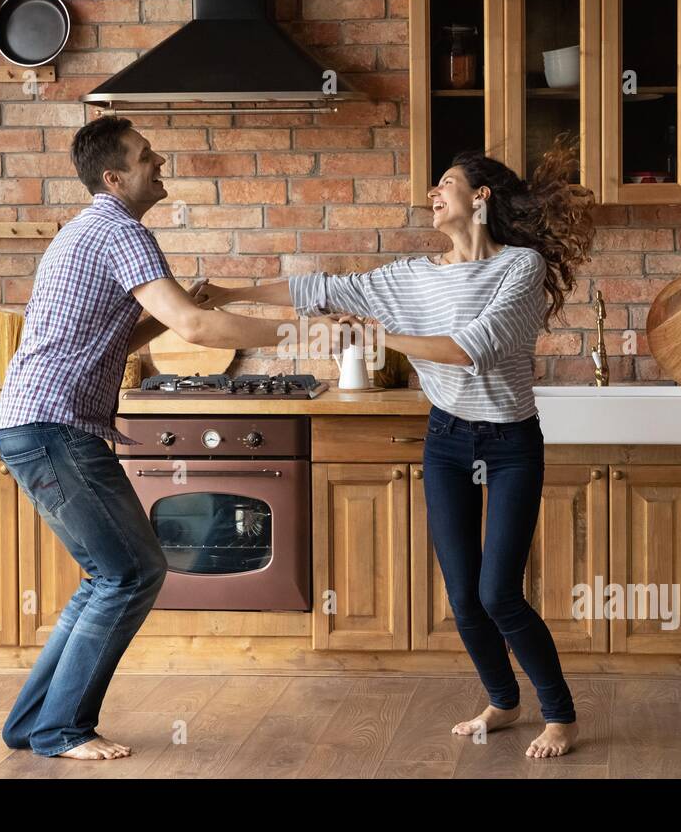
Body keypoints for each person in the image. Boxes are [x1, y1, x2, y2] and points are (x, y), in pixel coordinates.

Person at [212, 138, 597, 758]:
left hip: (508, 444)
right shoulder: (412, 278)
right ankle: (503, 700)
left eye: (443, 183)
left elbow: (471, 350)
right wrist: (227, 295)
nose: (431, 194)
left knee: (499, 592)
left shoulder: (518, 267)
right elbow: (322, 288)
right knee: (463, 594)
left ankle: (561, 716)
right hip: (447, 438)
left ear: (480, 196)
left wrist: (377, 334)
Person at [0, 115, 292, 760]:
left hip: (39, 422)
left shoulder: (94, 229)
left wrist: (183, 309)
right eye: (147, 157)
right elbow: (198, 331)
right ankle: (61, 729)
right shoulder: (121, 229)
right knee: (130, 573)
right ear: (114, 177)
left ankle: (34, 724)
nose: (160, 164)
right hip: (54, 425)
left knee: (109, 574)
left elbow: (117, 338)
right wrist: (298, 336)